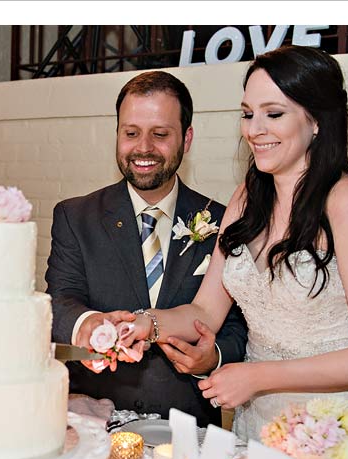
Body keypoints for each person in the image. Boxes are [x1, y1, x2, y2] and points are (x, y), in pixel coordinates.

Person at [116, 46, 348, 459]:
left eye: (273, 113)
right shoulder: (246, 198)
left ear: (317, 120)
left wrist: (257, 376)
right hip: (259, 426)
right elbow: (204, 311)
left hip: (335, 432)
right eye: (247, 113)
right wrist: (140, 323)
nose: (255, 129)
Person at [46, 70, 248, 428]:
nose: (143, 148)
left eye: (160, 134)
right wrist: (88, 323)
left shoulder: (223, 221)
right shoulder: (74, 217)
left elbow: (237, 327)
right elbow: (60, 303)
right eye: (131, 133)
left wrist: (211, 357)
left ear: (186, 139)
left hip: (189, 426)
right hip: (93, 420)